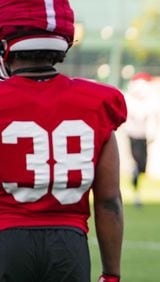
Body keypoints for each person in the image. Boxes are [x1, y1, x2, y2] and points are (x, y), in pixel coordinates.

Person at [0, 1, 126, 281]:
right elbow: (108, 201)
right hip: (69, 247)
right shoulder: (98, 102)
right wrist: (112, 274)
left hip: (7, 241)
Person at [123, 72, 160, 207]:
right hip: (133, 135)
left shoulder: (151, 100)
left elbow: (153, 117)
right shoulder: (130, 99)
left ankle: (136, 176)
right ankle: (136, 192)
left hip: (144, 136)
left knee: (142, 167)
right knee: (137, 162)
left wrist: (152, 132)